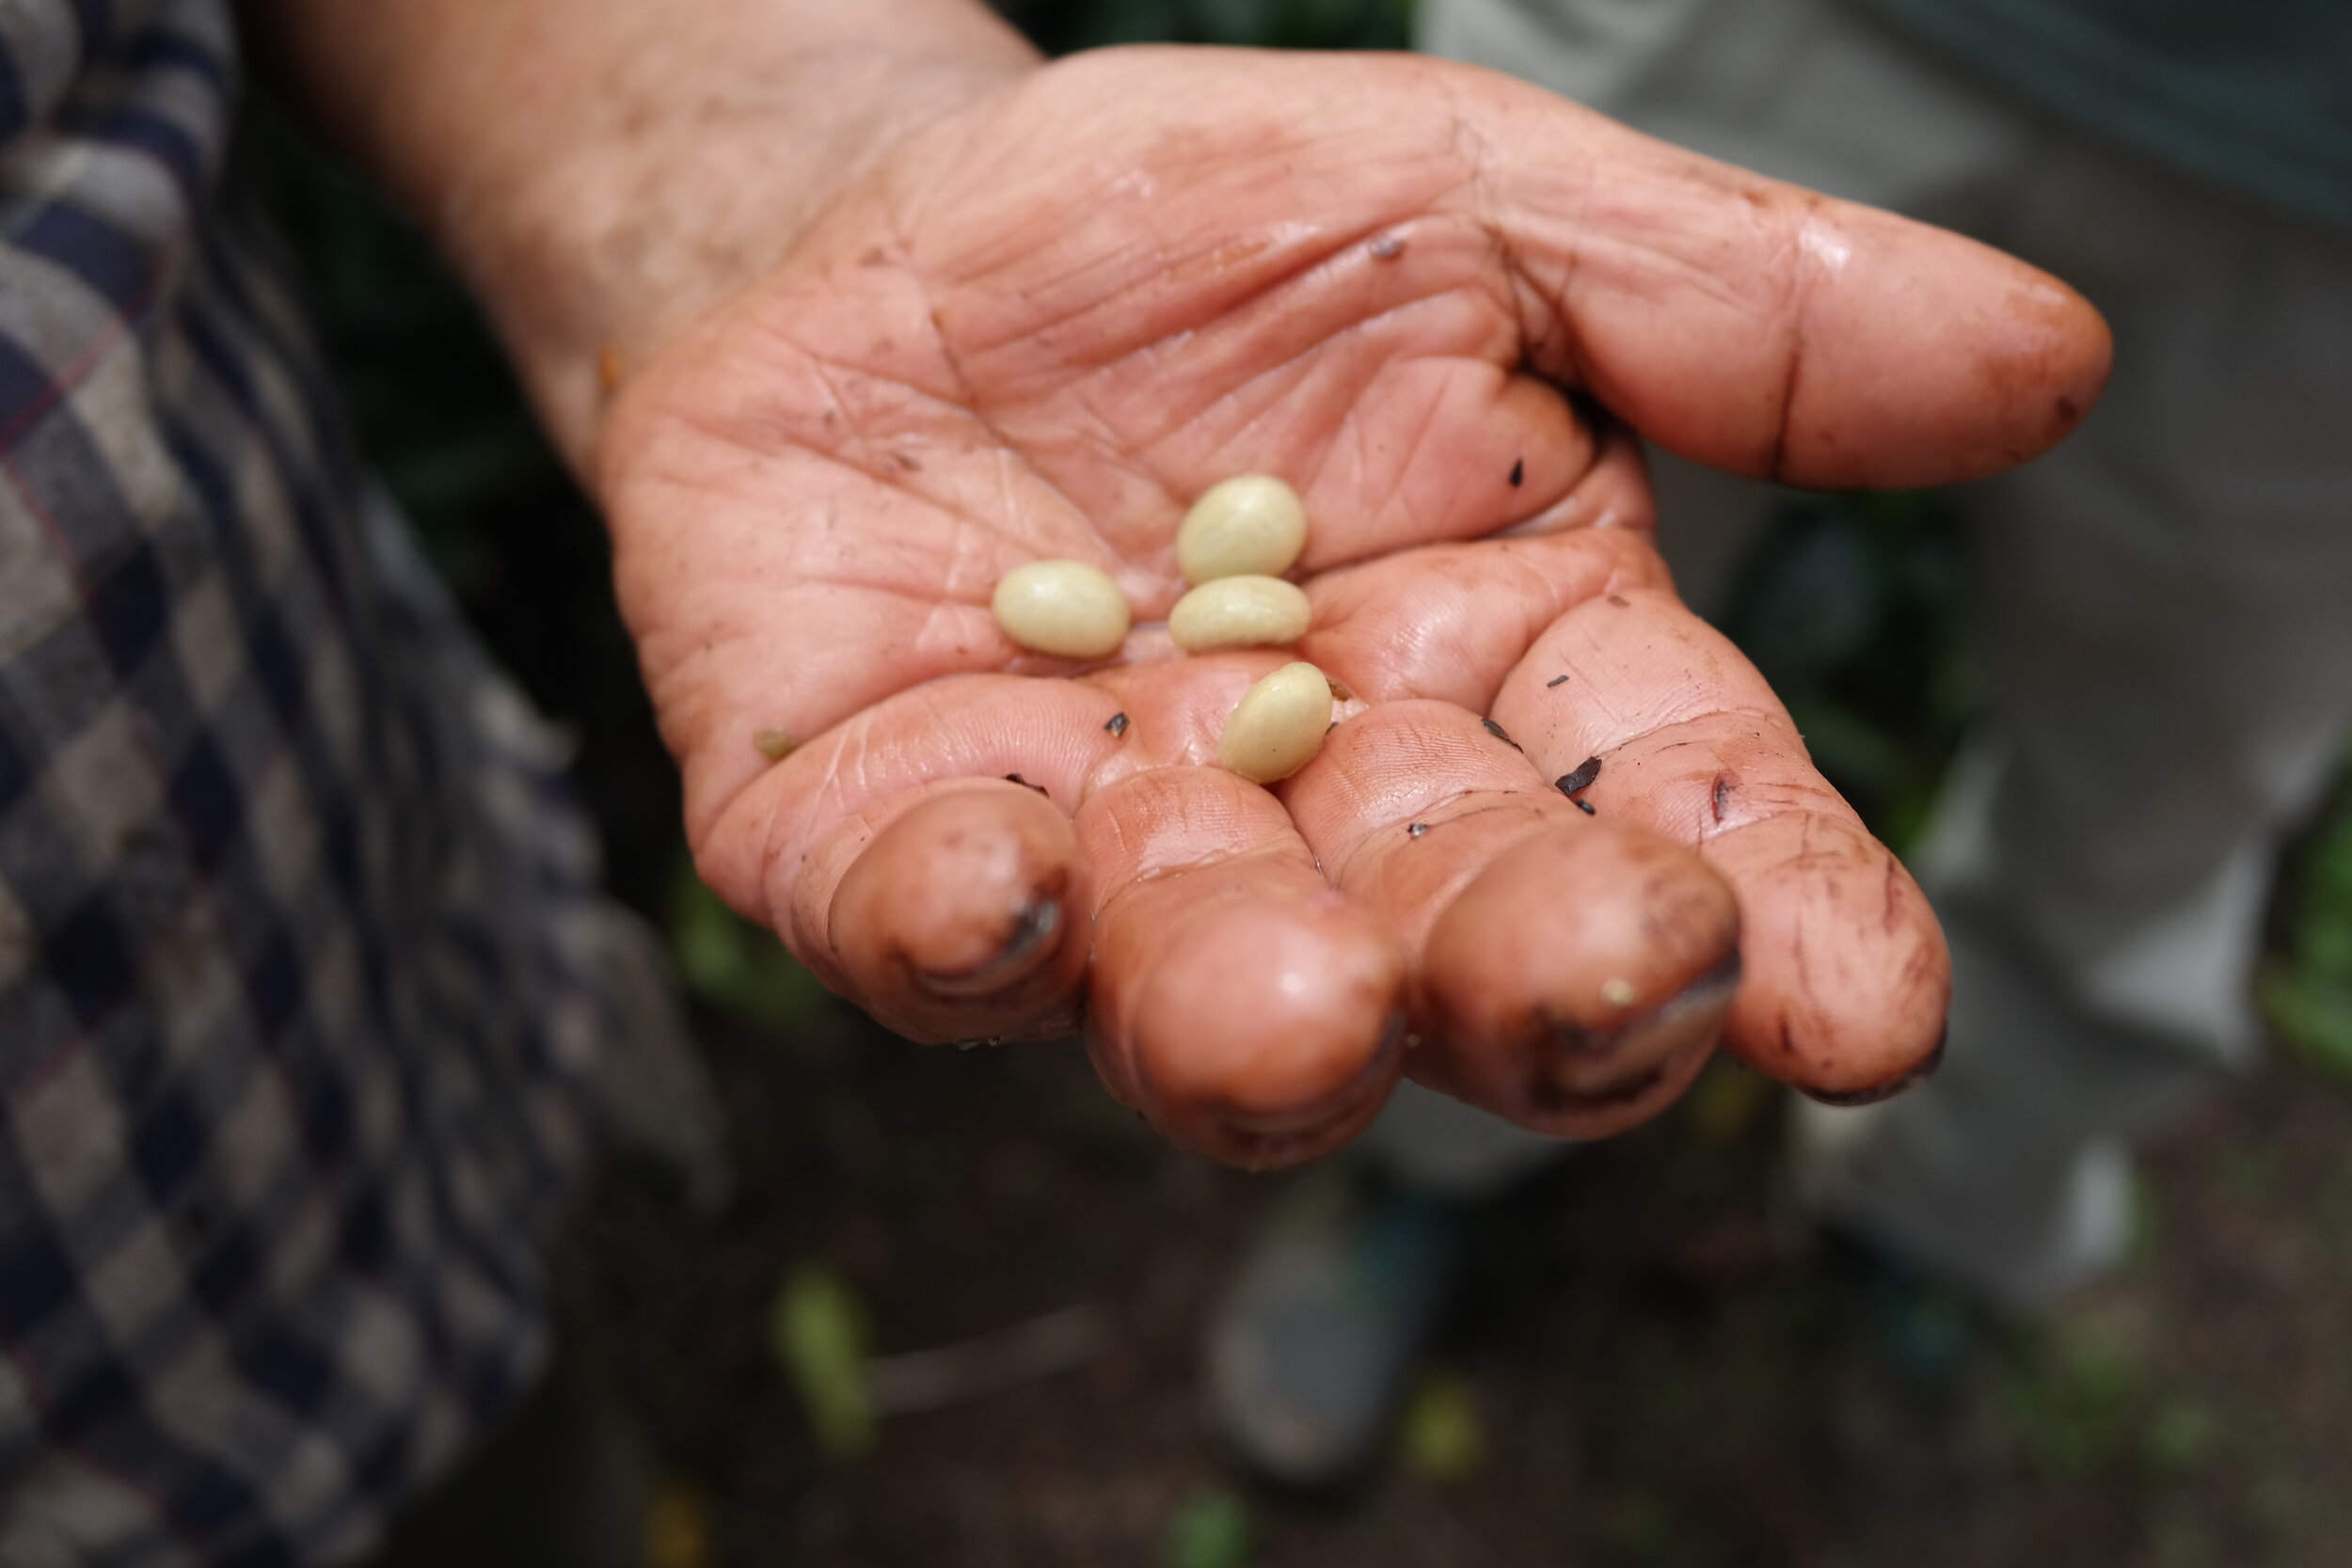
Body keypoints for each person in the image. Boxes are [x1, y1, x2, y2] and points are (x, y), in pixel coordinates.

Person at [0, 0, 2110, 1558]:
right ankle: (1448, 1207)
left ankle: (1723, 1228)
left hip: (306, 1108)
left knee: (504, 1482)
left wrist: (771, 164)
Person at [1208, 0, 2352, 1488]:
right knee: (1479, 656)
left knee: (2164, 786)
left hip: (2310, 172)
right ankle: (1424, 1150)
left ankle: (1952, 1222)